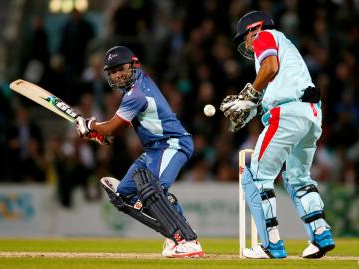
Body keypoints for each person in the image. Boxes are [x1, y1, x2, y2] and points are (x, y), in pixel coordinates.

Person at [220, 11, 335, 259]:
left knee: (257, 177)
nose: (247, 44)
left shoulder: (264, 36)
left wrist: (248, 94)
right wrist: (249, 105)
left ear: (254, 29)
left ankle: (271, 245)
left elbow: (269, 69)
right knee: (298, 178)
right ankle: (321, 235)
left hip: (287, 115)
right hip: (311, 114)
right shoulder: (285, 46)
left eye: (246, 38)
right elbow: (274, 86)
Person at [75, 46, 204, 258]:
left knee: (153, 191)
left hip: (172, 144)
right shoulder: (136, 87)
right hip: (154, 149)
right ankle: (176, 235)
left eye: (121, 68)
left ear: (134, 65)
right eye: (113, 71)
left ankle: (188, 240)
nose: (118, 74)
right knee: (124, 194)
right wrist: (100, 133)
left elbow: (113, 127)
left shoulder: (136, 93)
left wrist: (90, 126)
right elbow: (113, 130)